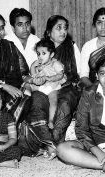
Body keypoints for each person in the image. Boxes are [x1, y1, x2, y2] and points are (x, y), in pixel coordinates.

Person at [18, 15, 81, 159]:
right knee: (37, 101)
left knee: (64, 103)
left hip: (66, 86)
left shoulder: (72, 46)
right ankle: (46, 142)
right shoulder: (40, 48)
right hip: (41, 86)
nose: (63, 31)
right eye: (59, 28)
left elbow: (78, 73)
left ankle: (56, 143)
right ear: (48, 31)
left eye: (65, 28)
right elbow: (30, 71)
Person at [28, 39, 66, 129]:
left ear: (51, 54)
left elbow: (60, 75)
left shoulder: (55, 63)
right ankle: (26, 93)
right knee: (28, 85)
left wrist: (48, 78)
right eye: (38, 54)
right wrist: (32, 66)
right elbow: (33, 75)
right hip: (41, 86)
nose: (40, 56)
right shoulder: (39, 65)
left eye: (43, 53)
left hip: (52, 86)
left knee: (53, 101)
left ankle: (51, 120)